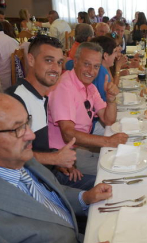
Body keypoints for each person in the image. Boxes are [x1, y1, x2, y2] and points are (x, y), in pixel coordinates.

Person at [0, 84, 114, 243]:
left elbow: (48, 195)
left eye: (27, 122)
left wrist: (84, 197)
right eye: (17, 129)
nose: (31, 135)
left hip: (81, 241)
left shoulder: (13, 155)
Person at [6, 35, 95, 190]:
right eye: (48, 60)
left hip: (48, 174)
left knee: (110, 184)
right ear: (31, 60)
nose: (55, 68)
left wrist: (57, 161)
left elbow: (36, 149)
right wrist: (54, 158)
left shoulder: (41, 98)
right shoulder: (15, 101)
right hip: (32, 187)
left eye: (59, 62)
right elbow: (9, 156)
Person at [48, 42, 127, 175]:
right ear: (76, 62)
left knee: (123, 158)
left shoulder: (89, 86)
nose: (91, 71)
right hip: (64, 156)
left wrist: (111, 99)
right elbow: (68, 134)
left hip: (81, 147)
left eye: (96, 66)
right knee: (118, 169)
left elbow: (108, 120)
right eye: (86, 64)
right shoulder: (64, 87)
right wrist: (108, 141)